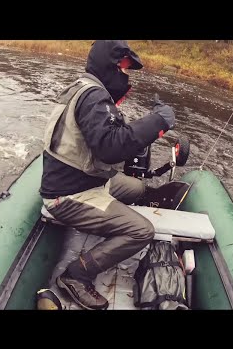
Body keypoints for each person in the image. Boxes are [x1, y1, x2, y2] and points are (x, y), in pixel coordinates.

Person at [39, 40, 175, 310]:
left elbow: (109, 136)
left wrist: (149, 121)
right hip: (68, 194)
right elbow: (112, 147)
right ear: (108, 65)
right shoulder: (93, 97)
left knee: (136, 189)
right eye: (123, 68)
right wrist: (158, 121)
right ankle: (76, 276)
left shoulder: (86, 90)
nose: (125, 75)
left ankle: (123, 214)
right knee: (141, 231)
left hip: (84, 178)